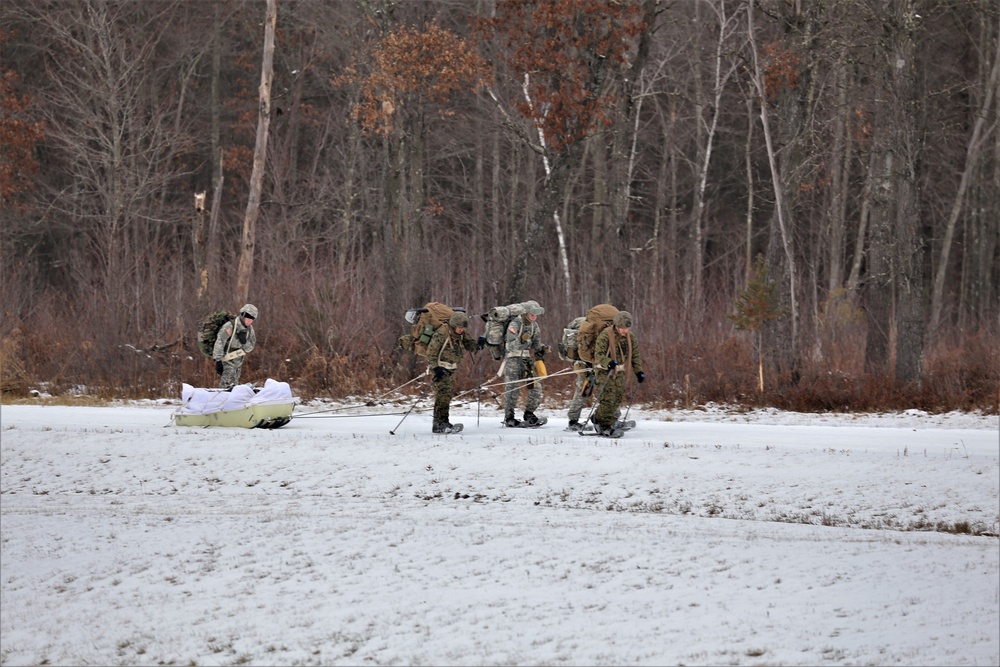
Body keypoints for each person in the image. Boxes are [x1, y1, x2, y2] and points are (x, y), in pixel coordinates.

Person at [592, 311, 645, 437]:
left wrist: (639, 371)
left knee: (617, 399)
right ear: (616, 325)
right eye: (622, 328)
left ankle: (598, 417)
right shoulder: (605, 335)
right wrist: (608, 362)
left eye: (627, 328)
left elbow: (635, 356)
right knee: (608, 400)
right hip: (605, 372)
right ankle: (605, 426)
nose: (625, 331)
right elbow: (598, 355)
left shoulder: (630, 337)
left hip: (620, 372)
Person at [426, 311, 480, 434]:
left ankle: (441, 422)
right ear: (453, 325)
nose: (461, 330)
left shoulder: (461, 334)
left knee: (445, 395)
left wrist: (480, 344)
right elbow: (431, 352)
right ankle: (440, 423)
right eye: (460, 328)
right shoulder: (442, 333)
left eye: (463, 328)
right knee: (443, 395)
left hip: (451, 368)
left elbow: (471, 346)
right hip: (441, 368)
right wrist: (436, 368)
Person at [501, 300, 548, 427]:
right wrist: (521, 340)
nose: (534, 317)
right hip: (513, 359)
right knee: (512, 389)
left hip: (526, 359)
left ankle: (529, 413)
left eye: (536, 315)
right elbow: (510, 345)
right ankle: (509, 417)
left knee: (536, 387)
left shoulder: (534, 326)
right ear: (526, 313)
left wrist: (542, 348)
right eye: (532, 314)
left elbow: (536, 344)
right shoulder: (515, 324)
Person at [213, 304, 258, 390]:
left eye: (251, 320)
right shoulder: (230, 326)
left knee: (235, 385)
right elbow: (220, 341)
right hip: (227, 360)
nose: (249, 322)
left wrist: (244, 342)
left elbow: (251, 346)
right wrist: (218, 360)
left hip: (238, 362)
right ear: (243, 316)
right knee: (227, 386)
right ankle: (223, 399)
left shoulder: (250, 330)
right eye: (247, 319)